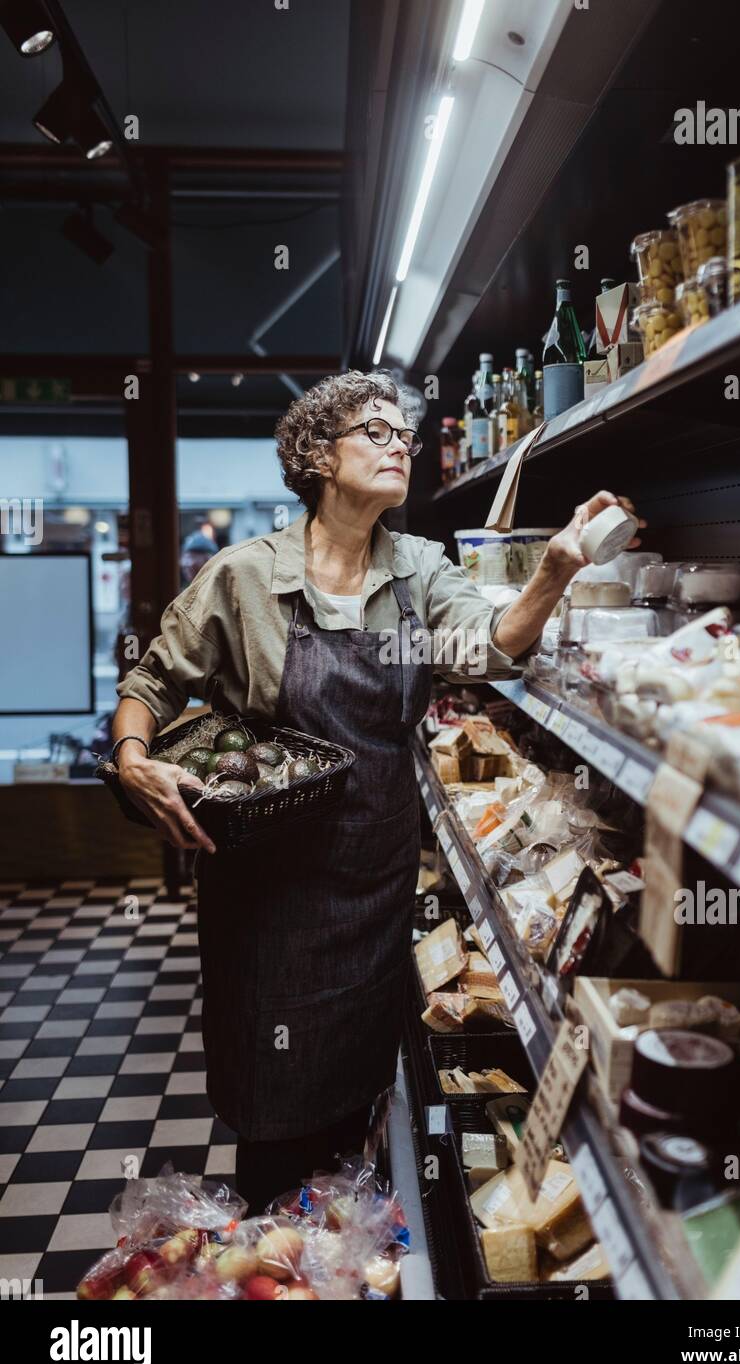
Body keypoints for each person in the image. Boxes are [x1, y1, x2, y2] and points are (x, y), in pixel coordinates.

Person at [110, 369, 643, 1213]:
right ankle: (275, 1247)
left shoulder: (421, 570)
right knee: (273, 1110)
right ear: (319, 455)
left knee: (355, 1096)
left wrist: (554, 573)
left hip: (371, 875)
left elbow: (485, 647)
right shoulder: (243, 577)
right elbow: (152, 678)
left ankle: (340, 1252)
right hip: (268, 893)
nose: (402, 445)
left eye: (406, 434)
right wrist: (134, 758)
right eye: (378, 431)